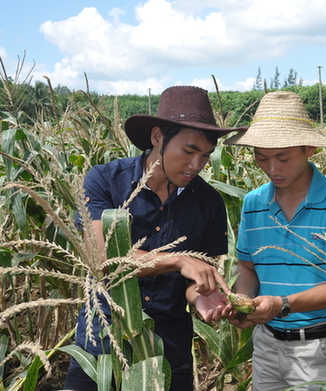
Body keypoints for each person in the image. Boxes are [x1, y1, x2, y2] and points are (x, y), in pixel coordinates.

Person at [63, 85, 246, 391]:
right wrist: (176, 260)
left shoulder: (209, 201)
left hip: (169, 347)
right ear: (158, 136)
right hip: (104, 338)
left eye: (205, 155)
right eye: (189, 151)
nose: (197, 165)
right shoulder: (105, 180)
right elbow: (101, 259)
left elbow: (195, 276)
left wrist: (202, 296)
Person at [223, 91, 326, 391]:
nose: (272, 169)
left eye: (283, 158)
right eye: (261, 158)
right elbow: (247, 267)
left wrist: (284, 304)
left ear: (310, 149)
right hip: (266, 345)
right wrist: (246, 302)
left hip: (321, 349)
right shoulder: (253, 204)